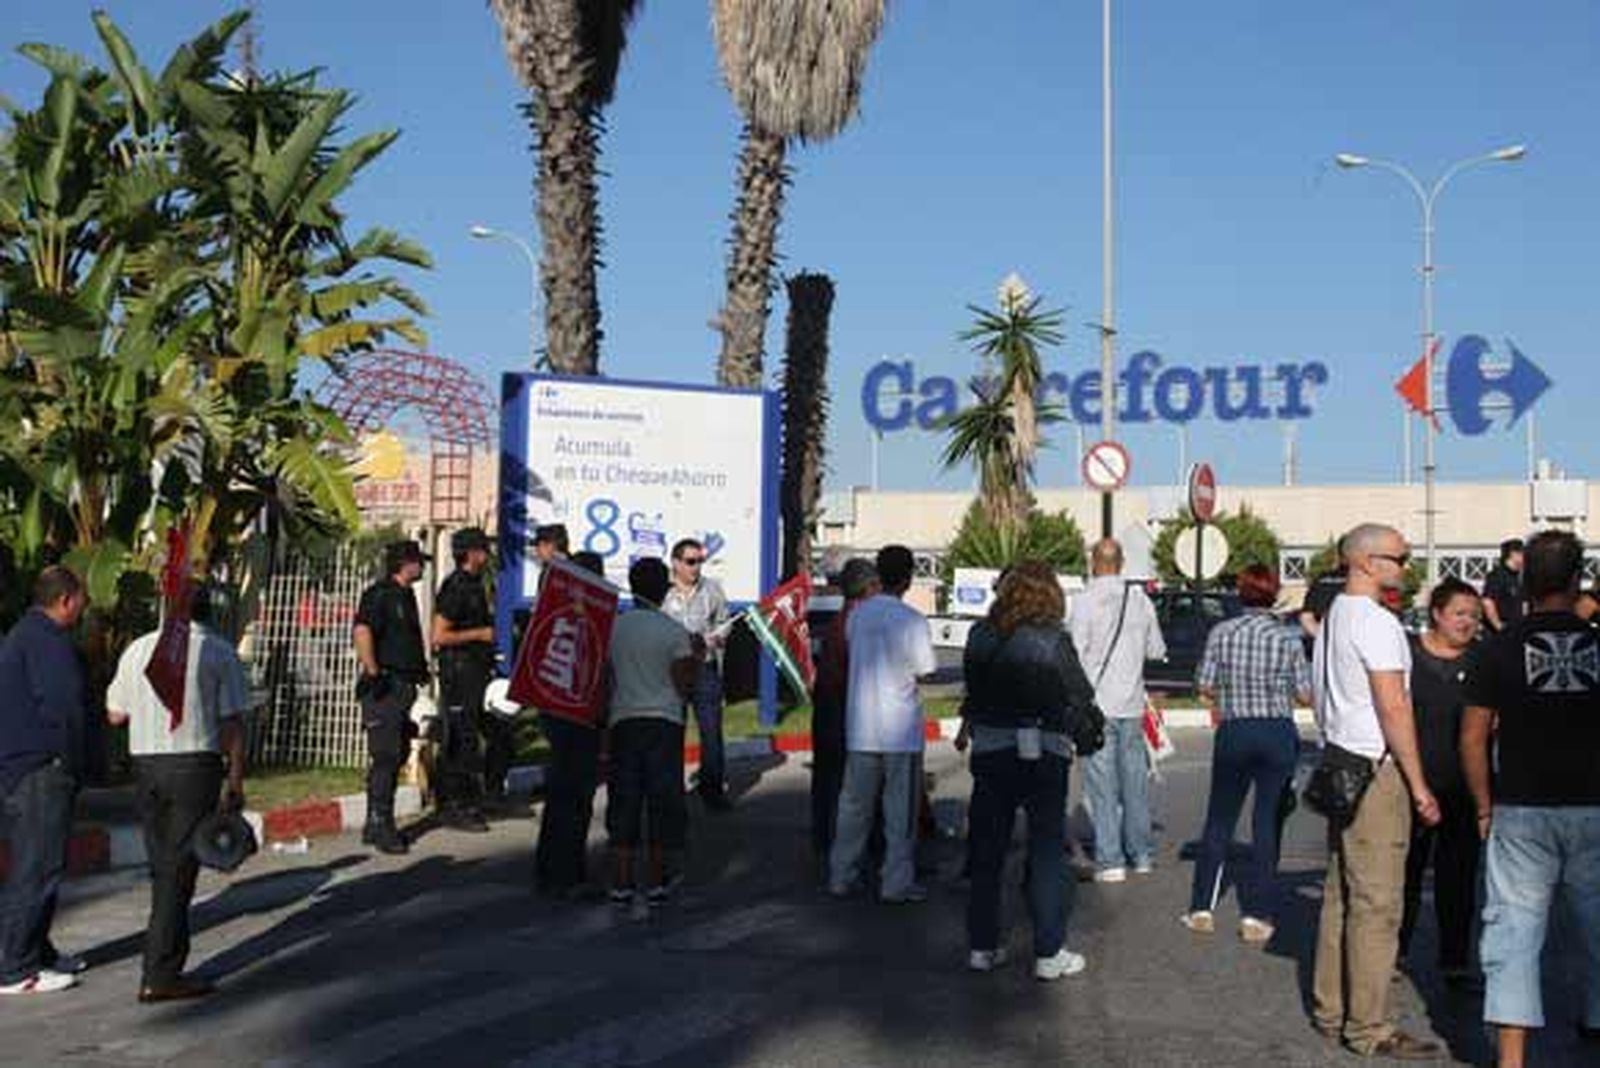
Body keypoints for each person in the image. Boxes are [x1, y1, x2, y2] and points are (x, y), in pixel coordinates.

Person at [1462, 530, 1600, 1068]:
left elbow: (1473, 737)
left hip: (1520, 807)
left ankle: (1512, 1060)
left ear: (1523, 581)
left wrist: (1482, 805)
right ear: (1576, 579)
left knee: (1514, 935)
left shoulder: (1499, 647)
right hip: (1594, 804)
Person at [1309, 523, 1443, 1059]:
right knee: (1378, 904)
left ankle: (1332, 1009)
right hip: (1376, 768)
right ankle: (1370, 1026)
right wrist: (1418, 784)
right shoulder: (1377, 623)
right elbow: (1394, 707)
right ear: (1365, 561)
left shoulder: (1334, 616)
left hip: (1339, 761)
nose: (1404, 567)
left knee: (1341, 897)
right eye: (1399, 558)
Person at [105, 583, 249, 1003]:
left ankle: (161, 961)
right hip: (193, 766)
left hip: (146, 765)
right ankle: (160, 972)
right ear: (209, 612)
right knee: (178, 869)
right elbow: (232, 725)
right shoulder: (218, 651)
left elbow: (115, 713)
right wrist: (235, 781)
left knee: (163, 865)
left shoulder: (136, 650)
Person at [961, 561, 1100, 981]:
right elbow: (1080, 693)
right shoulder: (1054, 639)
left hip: (991, 747)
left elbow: (973, 688)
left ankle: (983, 946)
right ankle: (1048, 951)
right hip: (1044, 749)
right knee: (1045, 849)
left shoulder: (979, 636)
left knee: (987, 850)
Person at [1181, 564, 1311, 944]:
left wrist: (1226, 692)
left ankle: (1201, 907)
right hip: (1276, 732)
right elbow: (1304, 694)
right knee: (1266, 823)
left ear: (1240, 593)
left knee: (1220, 818)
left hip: (1235, 730)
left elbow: (1203, 686)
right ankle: (1258, 915)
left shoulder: (1222, 632)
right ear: (1273, 594)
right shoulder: (1287, 638)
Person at [828, 545, 937, 904]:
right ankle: (896, 881)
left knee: (854, 807)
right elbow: (926, 669)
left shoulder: (858, 616)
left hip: (860, 726)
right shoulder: (912, 620)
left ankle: (841, 875)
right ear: (908, 578)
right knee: (899, 814)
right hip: (900, 729)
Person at [0, 567, 90, 996]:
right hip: (40, 765)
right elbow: (64, 705)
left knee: (37, 862)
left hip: (22, 764)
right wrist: (72, 760)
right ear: (66, 600)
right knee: (36, 867)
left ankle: (38, 950)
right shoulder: (46, 642)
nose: (85, 608)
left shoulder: (24, 636)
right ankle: (17, 968)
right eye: (82, 600)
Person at [1397, 578, 1483, 985]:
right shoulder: (1408, 656)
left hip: (1464, 788)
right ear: (1436, 613)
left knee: (1459, 878)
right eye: (1459, 614)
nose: (1467, 623)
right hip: (1412, 782)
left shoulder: (1482, 660)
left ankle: (1454, 960)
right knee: (1405, 873)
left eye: (1474, 615)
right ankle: (1394, 954)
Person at [1070, 537, 1166, 882]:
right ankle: (1141, 854)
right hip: (1131, 703)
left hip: (1097, 706)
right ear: (1122, 562)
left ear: (1093, 563)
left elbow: (1075, 655)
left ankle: (1110, 860)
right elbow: (1156, 649)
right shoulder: (1139, 600)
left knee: (1101, 785)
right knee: (1135, 783)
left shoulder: (1083, 602)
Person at [605, 558, 698, 906]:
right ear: (665, 589)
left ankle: (621, 881)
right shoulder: (673, 632)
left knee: (625, 801)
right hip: (664, 723)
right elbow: (684, 684)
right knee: (661, 801)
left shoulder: (616, 628)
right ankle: (658, 880)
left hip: (623, 722)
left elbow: (607, 677)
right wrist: (697, 658)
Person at [534, 549, 607, 898]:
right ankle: (568, 874)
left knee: (559, 796)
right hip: (579, 718)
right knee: (575, 799)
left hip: (555, 714)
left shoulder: (555, 612)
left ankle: (549, 870)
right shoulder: (592, 618)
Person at [353, 541, 432, 855]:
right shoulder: (380, 594)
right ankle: (380, 822)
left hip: (404, 685)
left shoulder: (405, 595)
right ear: (405, 563)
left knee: (396, 752)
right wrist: (374, 671)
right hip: (385, 684)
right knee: (385, 755)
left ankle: (377, 820)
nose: (422, 567)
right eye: (418, 562)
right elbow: (363, 630)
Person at [811, 558, 879, 867]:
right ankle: (847, 849)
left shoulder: (839, 620)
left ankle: (823, 838)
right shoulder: (857, 623)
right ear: (869, 588)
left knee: (827, 778)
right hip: (843, 707)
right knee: (846, 782)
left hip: (827, 705)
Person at [431, 527, 495, 828]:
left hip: (475, 671)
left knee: (473, 736)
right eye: (482, 550)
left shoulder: (475, 584)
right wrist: (480, 634)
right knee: (459, 737)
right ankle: (453, 803)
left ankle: (470, 798)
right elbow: (439, 635)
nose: (486, 556)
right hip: (458, 671)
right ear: (470, 554)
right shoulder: (456, 587)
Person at [661, 538, 731, 810]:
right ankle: (670, 792)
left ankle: (712, 789)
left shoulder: (712, 589)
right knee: (670, 731)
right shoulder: (663, 593)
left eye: (700, 561)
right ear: (676, 563)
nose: (696, 567)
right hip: (673, 669)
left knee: (711, 731)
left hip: (705, 667)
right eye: (690, 561)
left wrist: (718, 636)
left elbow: (724, 622)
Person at [1481, 537, 1526, 634]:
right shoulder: (1497, 576)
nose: (1526, 557)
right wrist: (1499, 626)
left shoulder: (1518, 577)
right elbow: (1488, 602)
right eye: (1523, 553)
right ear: (1513, 554)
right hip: (1498, 633)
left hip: (1515, 630)